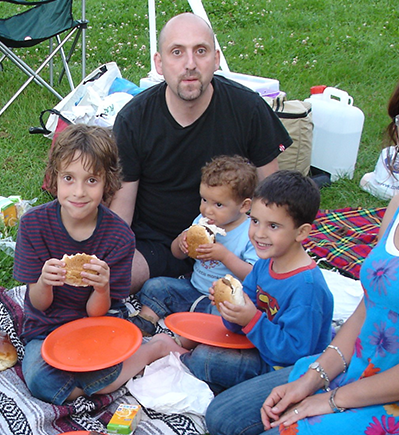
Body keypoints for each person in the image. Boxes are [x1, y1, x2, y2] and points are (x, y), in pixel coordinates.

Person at [205, 64, 399, 435]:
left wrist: (332, 400)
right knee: (223, 418)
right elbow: (370, 306)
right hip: (362, 368)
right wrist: (316, 377)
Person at [110, 12, 292, 293]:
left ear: (216, 59)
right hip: (157, 242)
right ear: (159, 63)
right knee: (109, 283)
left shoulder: (248, 109)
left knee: (280, 285)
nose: (190, 64)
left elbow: (272, 197)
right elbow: (122, 210)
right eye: (177, 52)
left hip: (233, 240)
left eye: (201, 51)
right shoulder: (134, 119)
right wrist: (109, 261)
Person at [13, 124, 185, 405]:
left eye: (91, 180)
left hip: (98, 324)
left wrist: (102, 288)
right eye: (69, 178)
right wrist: (44, 282)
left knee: (105, 362)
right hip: (46, 329)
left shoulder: (119, 236)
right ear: (54, 178)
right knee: (40, 380)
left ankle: (151, 350)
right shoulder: (33, 225)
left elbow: (99, 313)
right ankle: (116, 375)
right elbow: (39, 304)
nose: (78, 192)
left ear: (108, 183)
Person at [179, 170, 334, 394]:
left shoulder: (307, 287)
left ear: (301, 232)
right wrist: (230, 309)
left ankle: (196, 369)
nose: (258, 233)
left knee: (205, 358)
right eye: (255, 221)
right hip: (257, 345)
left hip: (284, 370)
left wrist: (251, 319)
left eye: (273, 226)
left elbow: (295, 353)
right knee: (207, 332)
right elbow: (244, 313)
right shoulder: (265, 263)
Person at [128, 154, 260, 336]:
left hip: (220, 303)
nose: (207, 209)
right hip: (193, 288)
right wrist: (182, 242)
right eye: (204, 200)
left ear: (244, 206)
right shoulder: (203, 221)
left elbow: (254, 275)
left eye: (218, 204)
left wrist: (224, 256)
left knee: (227, 319)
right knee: (155, 286)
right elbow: (177, 254)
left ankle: (190, 334)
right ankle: (145, 321)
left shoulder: (251, 233)